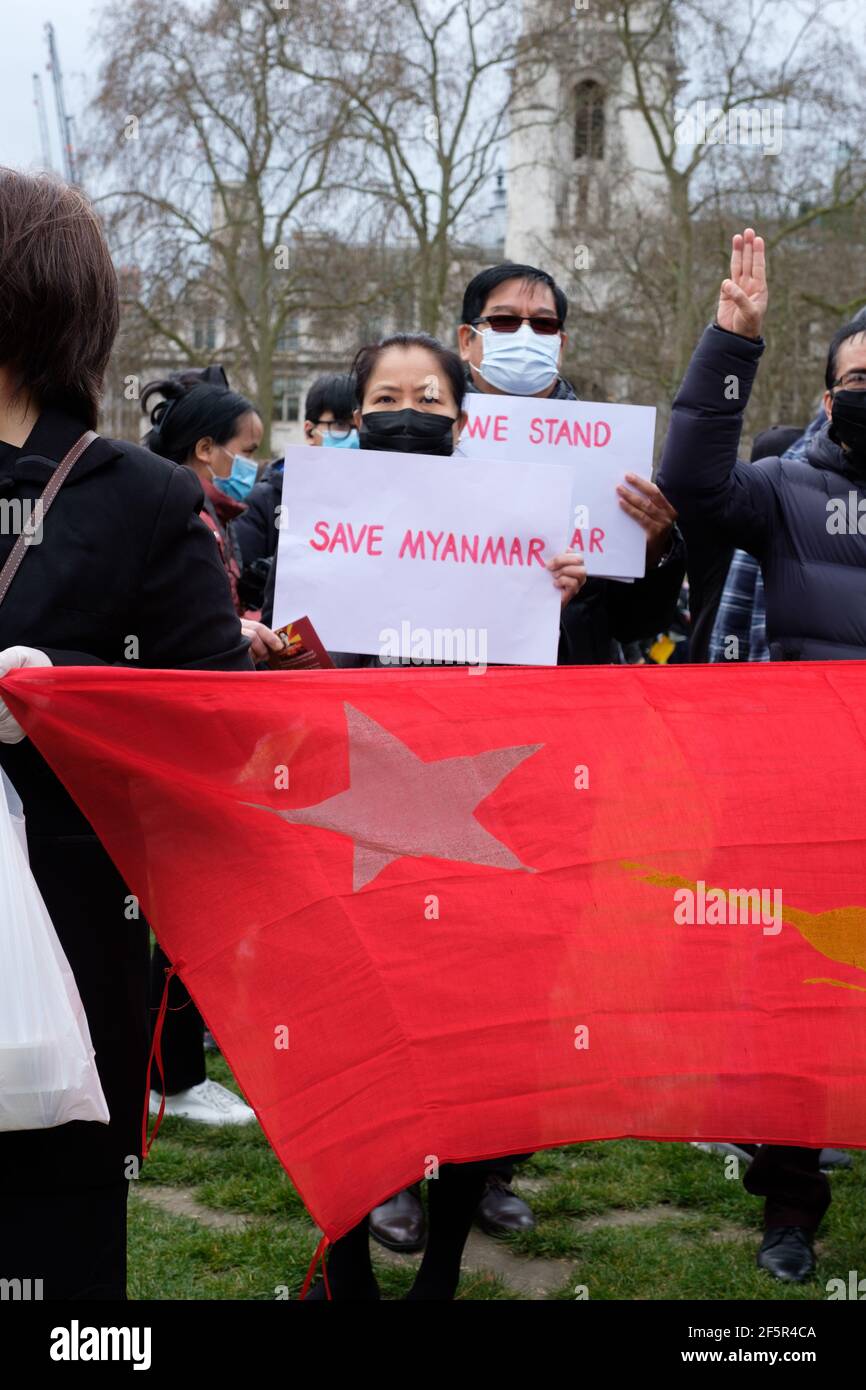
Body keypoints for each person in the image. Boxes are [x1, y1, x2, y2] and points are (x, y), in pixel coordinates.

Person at [375, 263, 681, 1245]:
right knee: (413, 958)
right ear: (466, 341)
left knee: (528, 965)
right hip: (423, 741)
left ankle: (492, 1161)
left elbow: (642, 615)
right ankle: (396, 1166)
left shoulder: (609, 460)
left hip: (555, 747)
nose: (524, 334)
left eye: (541, 322)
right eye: (503, 320)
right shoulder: (419, 447)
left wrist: (652, 545)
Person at [0, 168, 254, 1299]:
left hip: (58, 943)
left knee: (54, 1266)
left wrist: (69, 694)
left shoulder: (144, 498)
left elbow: (220, 732)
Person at [304, 331, 585, 1299]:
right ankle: (345, 1251)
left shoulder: (517, 524)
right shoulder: (293, 504)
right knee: (346, 1049)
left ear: (463, 418)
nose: (411, 408)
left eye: (431, 394)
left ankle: (442, 1265)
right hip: (341, 823)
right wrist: (266, 639)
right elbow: (246, 633)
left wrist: (564, 596)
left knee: (470, 1051)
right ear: (355, 409)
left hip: (477, 824)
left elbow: (588, 658)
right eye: (390, 393)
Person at [658, 226, 866, 1280]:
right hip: (811, 803)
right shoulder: (786, 491)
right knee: (804, 994)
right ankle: (789, 1203)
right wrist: (728, 344)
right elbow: (691, 483)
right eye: (858, 378)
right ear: (827, 397)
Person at [141, 377, 282, 1124]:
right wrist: (235, 637)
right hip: (180, 742)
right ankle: (174, 1077)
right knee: (185, 911)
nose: (253, 468)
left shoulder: (208, 515)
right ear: (205, 450)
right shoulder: (179, 514)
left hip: (196, 738)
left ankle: (180, 1066)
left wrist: (243, 626)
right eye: (246, 452)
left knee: (193, 908)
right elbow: (170, 628)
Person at [236, 373, 356, 614]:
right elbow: (241, 587)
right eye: (340, 425)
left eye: (359, 425)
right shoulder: (265, 500)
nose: (354, 437)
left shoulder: (378, 500)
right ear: (310, 432)